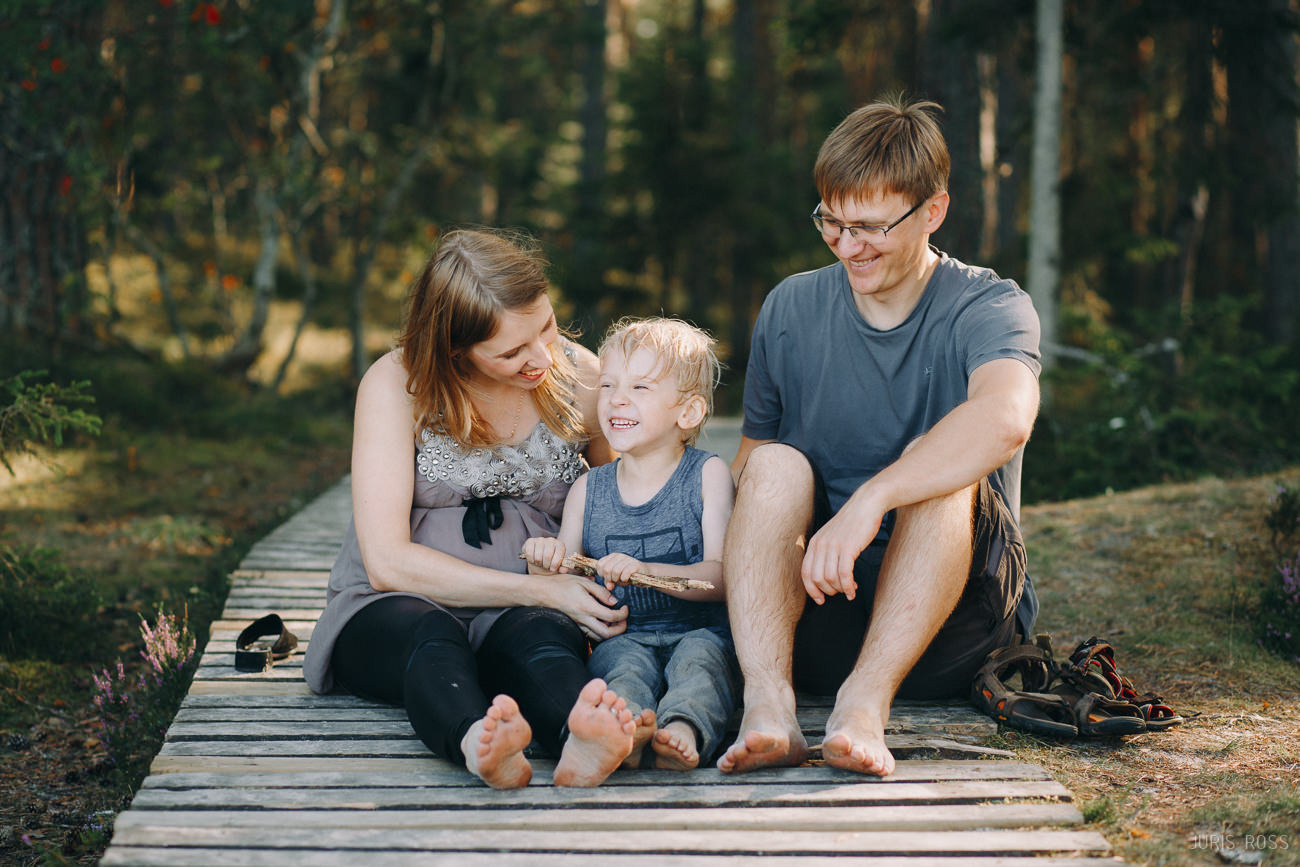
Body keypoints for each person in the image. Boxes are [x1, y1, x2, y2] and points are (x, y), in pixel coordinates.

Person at [717, 96, 1042, 778]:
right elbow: (747, 477)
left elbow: (1006, 417)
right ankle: (768, 701)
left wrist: (874, 498)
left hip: (953, 628)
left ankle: (863, 705)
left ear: (933, 211)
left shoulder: (989, 305)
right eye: (830, 222)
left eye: (868, 226)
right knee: (773, 465)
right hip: (818, 611)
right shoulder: (789, 308)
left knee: (945, 476)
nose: (846, 245)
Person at [303, 228, 639, 790]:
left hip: (524, 610)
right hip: (395, 606)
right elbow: (387, 562)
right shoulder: (396, 385)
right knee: (430, 638)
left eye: (547, 327)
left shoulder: (579, 374)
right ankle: (478, 743)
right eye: (511, 351)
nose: (541, 357)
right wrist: (538, 590)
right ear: (456, 349)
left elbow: (625, 499)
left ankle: (584, 738)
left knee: (541, 642)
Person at [523, 317, 739, 771]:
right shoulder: (589, 487)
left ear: (689, 413)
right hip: (624, 635)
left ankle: (683, 729)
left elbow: (721, 577)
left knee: (701, 667)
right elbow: (566, 576)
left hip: (698, 630)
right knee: (620, 671)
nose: (617, 399)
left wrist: (648, 571)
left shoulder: (705, 476)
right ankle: (627, 733)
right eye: (607, 385)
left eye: (641, 388)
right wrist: (546, 562)